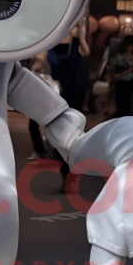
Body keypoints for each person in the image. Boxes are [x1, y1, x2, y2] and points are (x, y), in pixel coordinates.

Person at [47, 19, 90, 190]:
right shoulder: (51, 46)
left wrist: (81, 35)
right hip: (60, 94)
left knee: (72, 133)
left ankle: (69, 175)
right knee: (62, 134)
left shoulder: (75, 43)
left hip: (72, 92)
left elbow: (86, 52)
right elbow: (44, 62)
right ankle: (67, 173)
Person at [25, 52, 59, 161]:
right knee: (36, 126)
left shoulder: (40, 61)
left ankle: (44, 151)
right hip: (41, 99)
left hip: (41, 99)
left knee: (39, 127)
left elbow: (34, 72)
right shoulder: (40, 60)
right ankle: (41, 151)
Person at [110, 35, 133, 118]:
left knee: (130, 103)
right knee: (122, 103)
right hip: (122, 81)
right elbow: (114, 73)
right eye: (130, 46)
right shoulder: (119, 56)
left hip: (132, 81)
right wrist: (128, 71)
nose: (131, 48)